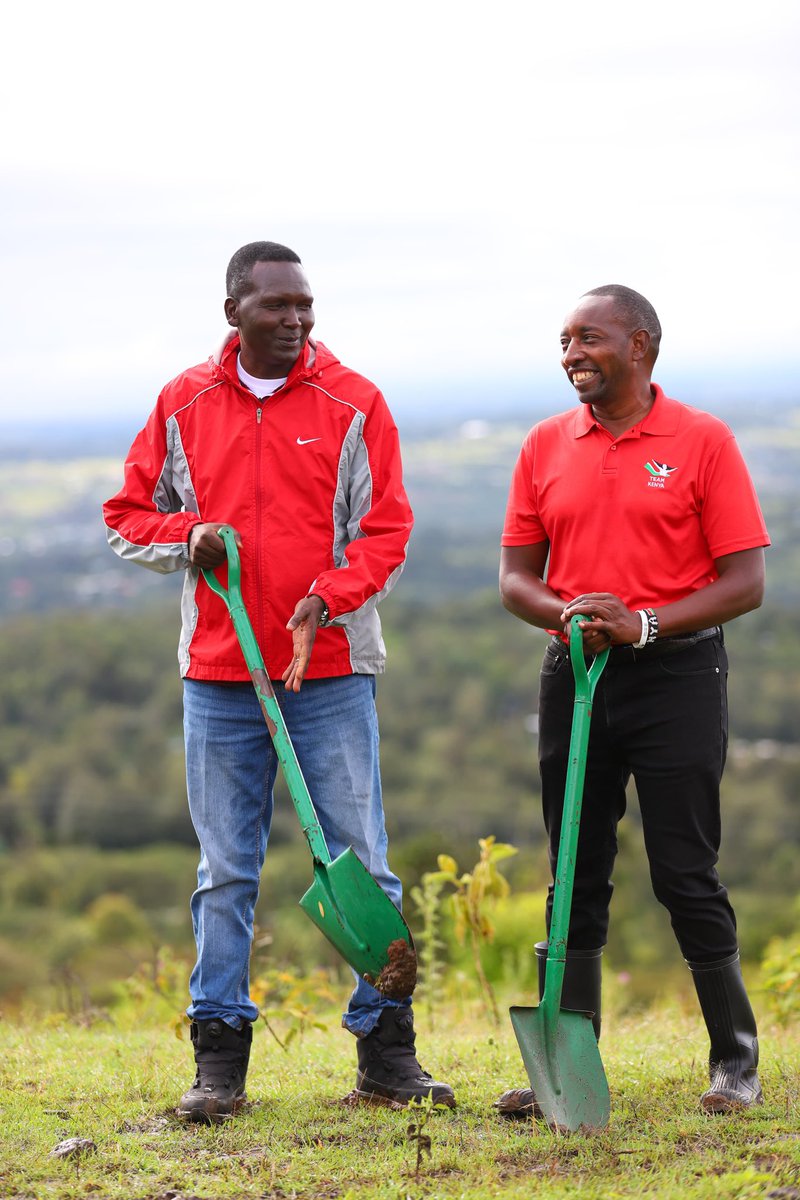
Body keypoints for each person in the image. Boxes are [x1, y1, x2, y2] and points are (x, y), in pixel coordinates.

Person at [103, 241, 454, 1121]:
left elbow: (385, 530)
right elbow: (128, 515)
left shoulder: (354, 401)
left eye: (305, 304)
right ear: (234, 313)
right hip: (221, 675)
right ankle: (218, 1058)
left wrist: (326, 599)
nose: (295, 320)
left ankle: (387, 1052)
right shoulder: (184, 402)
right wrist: (191, 537)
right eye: (276, 307)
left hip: (330, 671)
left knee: (362, 863)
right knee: (226, 870)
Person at [496, 284, 769, 1117]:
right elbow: (515, 580)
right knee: (572, 867)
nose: (573, 353)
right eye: (566, 341)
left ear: (643, 346)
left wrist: (642, 624)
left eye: (591, 339)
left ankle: (736, 1063)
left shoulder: (701, 440)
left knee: (686, 870)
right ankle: (568, 1063)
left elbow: (746, 582)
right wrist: (573, 616)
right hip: (575, 670)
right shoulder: (545, 444)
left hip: (676, 675)